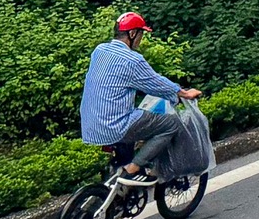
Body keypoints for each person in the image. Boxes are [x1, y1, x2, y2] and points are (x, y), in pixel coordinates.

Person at [80, 13, 200, 181]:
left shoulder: (99, 51)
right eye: (141, 34)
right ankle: (133, 168)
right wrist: (184, 93)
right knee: (171, 124)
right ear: (132, 34)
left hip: (90, 124)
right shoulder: (132, 60)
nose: (141, 40)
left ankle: (120, 180)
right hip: (115, 125)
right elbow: (156, 82)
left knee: (139, 121)